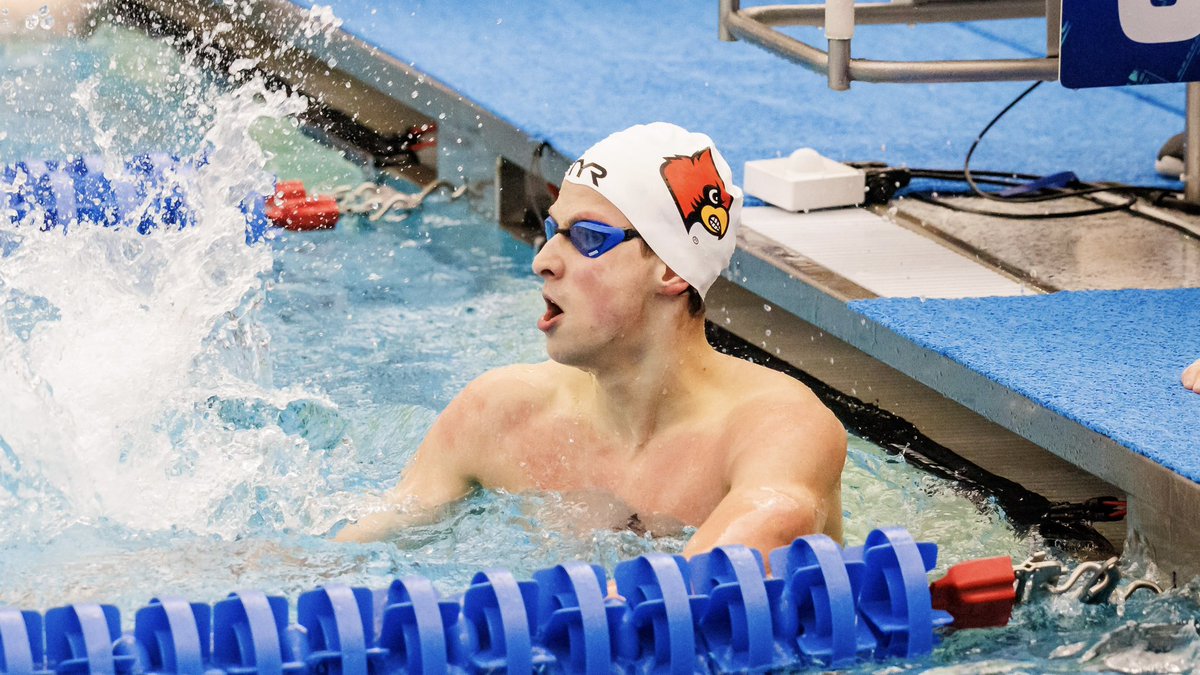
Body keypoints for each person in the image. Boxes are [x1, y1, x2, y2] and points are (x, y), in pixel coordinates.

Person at [336, 123, 846, 563]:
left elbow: (765, 528)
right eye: (552, 229)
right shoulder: (498, 414)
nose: (543, 261)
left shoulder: (779, 427)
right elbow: (348, 556)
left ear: (669, 266)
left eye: (586, 238)